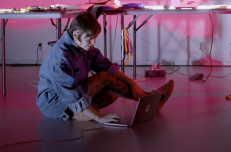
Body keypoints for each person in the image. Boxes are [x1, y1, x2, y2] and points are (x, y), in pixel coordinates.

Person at [37, 11, 174, 122]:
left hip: (75, 93)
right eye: (90, 39)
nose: (93, 43)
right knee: (103, 78)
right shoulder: (61, 58)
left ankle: (84, 112)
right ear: (76, 35)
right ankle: (78, 112)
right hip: (58, 103)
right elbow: (71, 96)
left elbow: (108, 67)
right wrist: (99, 118)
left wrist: (132, 83)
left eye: (95, 38)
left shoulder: (83, 44)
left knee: (112, 93)